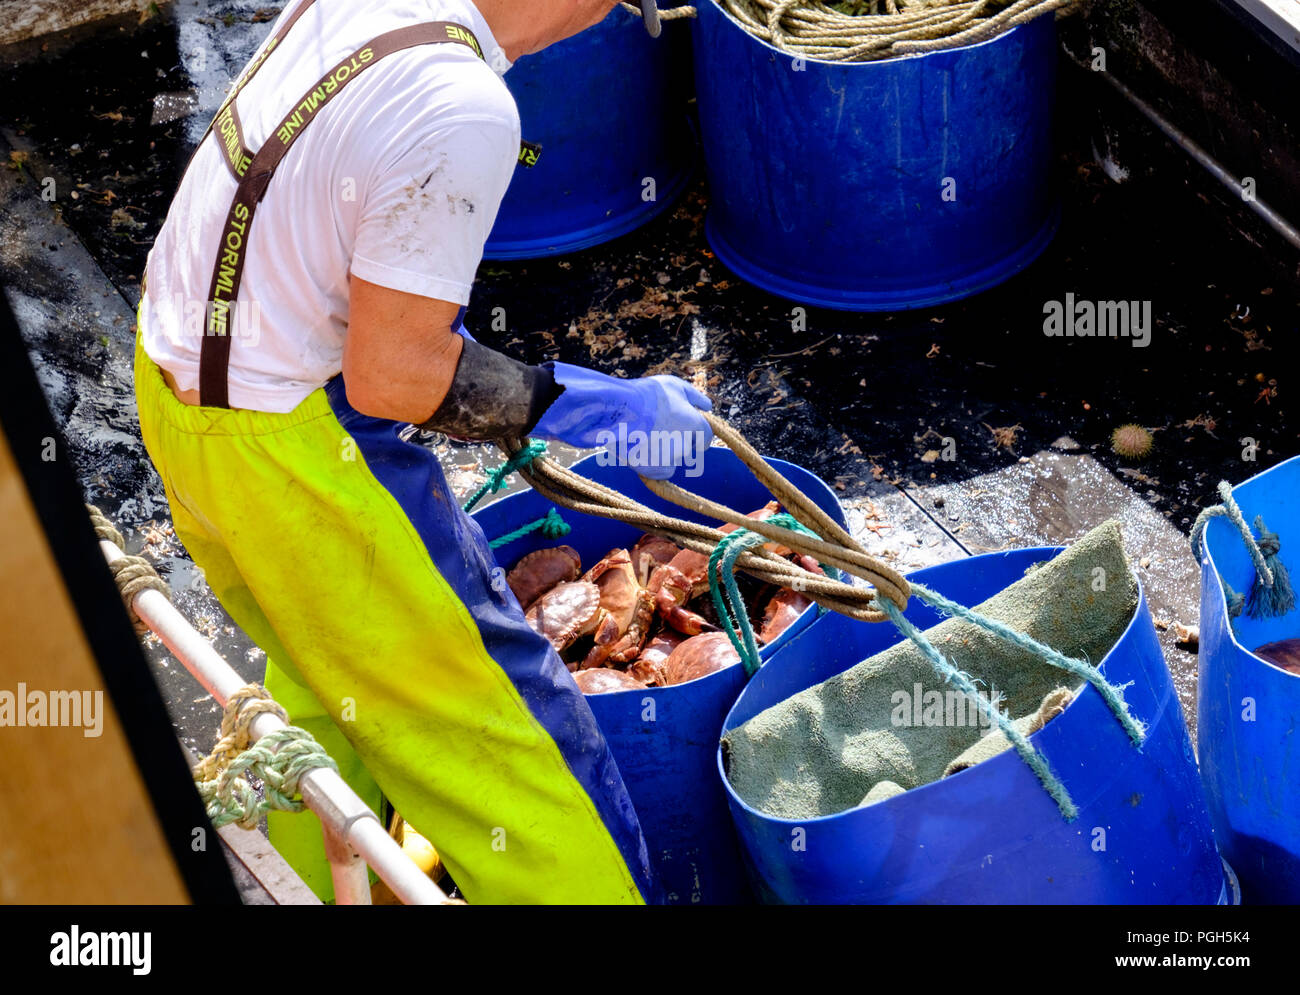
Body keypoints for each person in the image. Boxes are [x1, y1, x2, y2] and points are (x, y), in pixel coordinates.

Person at [134, 0, 709, 904]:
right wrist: (581, 406)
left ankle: (299, 884)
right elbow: (393, 376)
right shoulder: (466, 104)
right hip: (299, 458)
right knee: (519, 748)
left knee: (333, 685)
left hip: (183, 403)